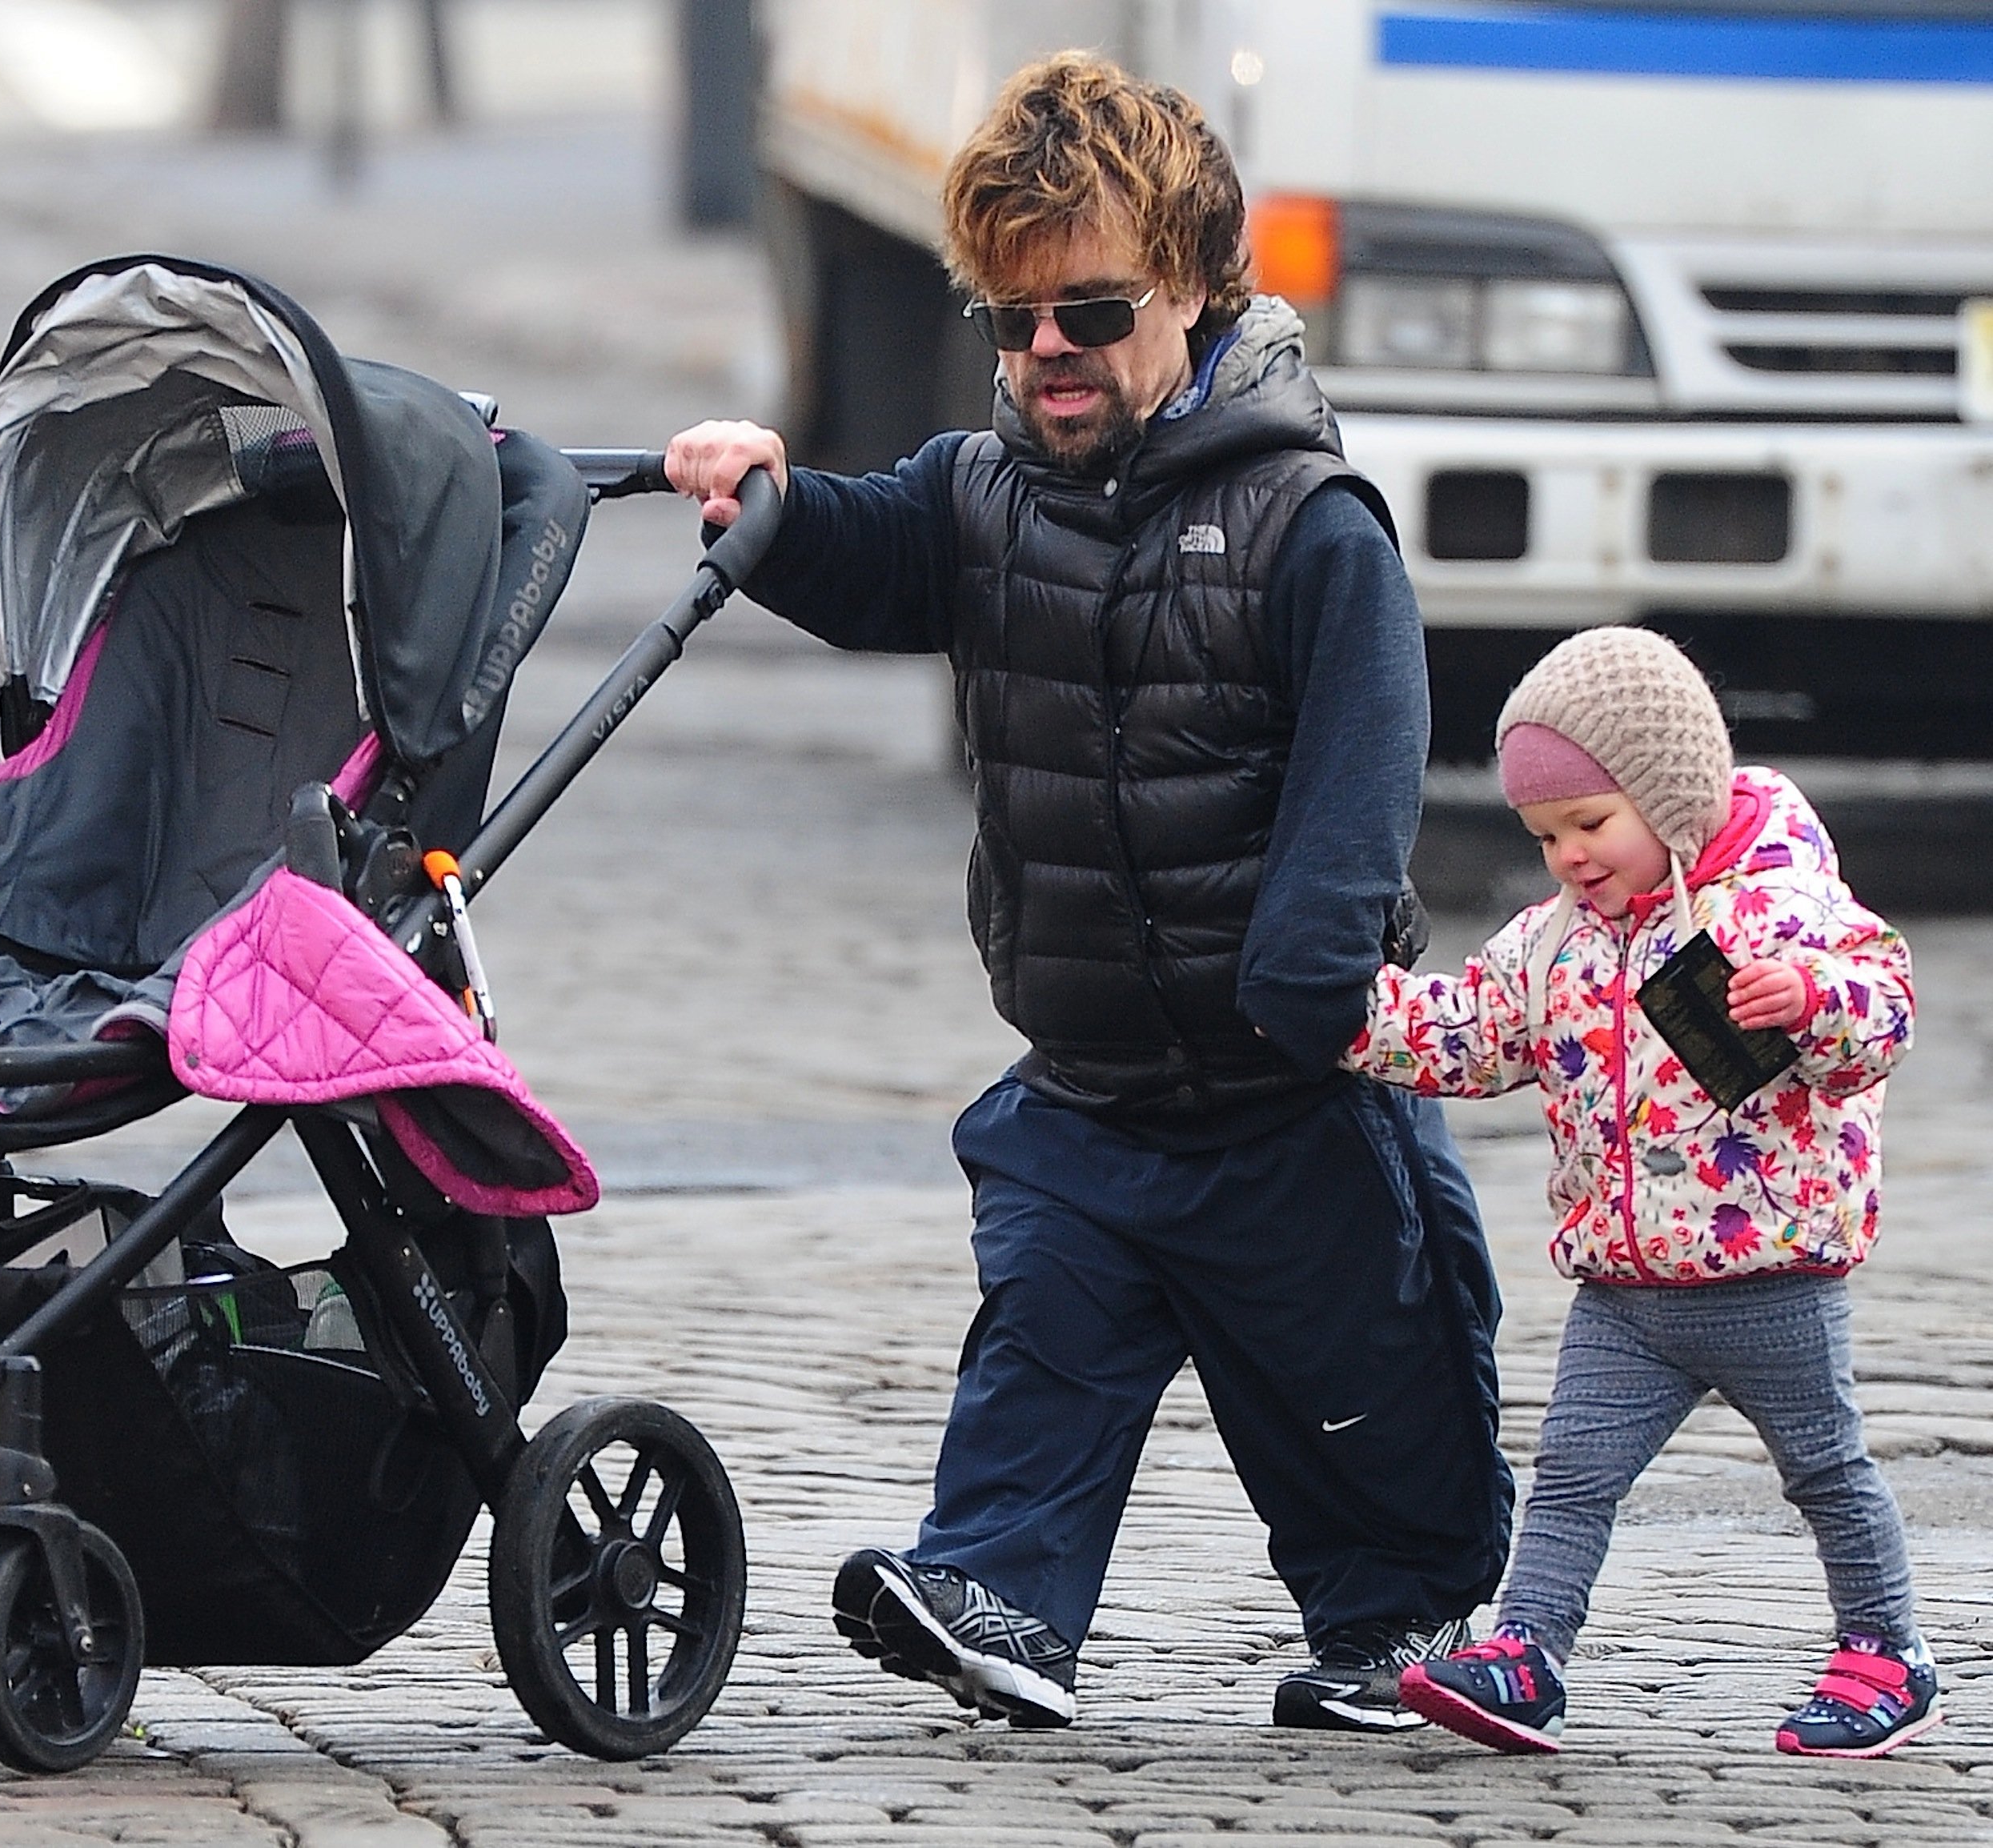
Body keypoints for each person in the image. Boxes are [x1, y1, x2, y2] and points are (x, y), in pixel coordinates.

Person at [664, 50, 1512, 1731]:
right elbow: (857, 551)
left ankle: (1400, 1625)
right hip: (1094, 1084)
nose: (1048, 350)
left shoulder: (1306, 523)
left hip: (1294, 1085)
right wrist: (760, 495)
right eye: (1011, 318)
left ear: (1192, 286)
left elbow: (1368, 761)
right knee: (1045, 1336)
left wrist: (1318, 967)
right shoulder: (983, 498)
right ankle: (1001, 1597)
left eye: (1093, 311)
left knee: (1362, 1407)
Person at [1349, 627, 1933, 1758]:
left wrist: (1808, 999)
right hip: (1622, 1287)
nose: (1568, 854)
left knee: (1825, 1468)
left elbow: (1882, 1010)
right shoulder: (1557, 941)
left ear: (1667, 797)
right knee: (1571, 1473)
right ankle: (1529, 1651)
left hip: (1771, 1275)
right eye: (1545, 834)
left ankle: (1889, 1651)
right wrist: (1344, 1009)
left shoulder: (1774, 907)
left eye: (1589, 823)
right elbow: (1469, 1031)